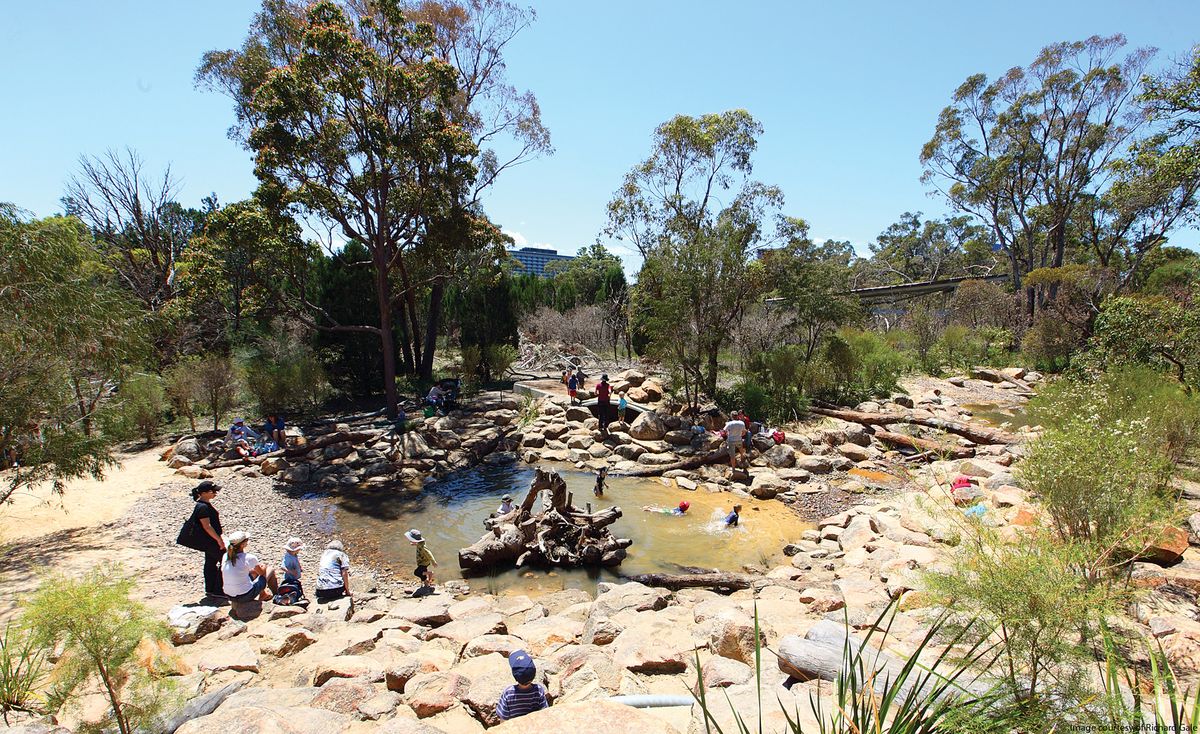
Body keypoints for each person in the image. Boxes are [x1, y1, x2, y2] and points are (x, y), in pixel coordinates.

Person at [182, 481, 225, 601]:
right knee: (225, 561)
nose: (215, 493)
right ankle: (219, 590)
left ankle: (210, 589)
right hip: (211, 541)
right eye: (213, 491)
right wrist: (219, 540)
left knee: (210, 563)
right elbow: (207, 526)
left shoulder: (202, 505)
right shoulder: (203, 507)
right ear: (205, 493)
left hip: (208, 541)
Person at [220, 531, 279, 603]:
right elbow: (261, 573)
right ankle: (277, 594)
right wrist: (264, 567)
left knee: (253, 573)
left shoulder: (226, 556)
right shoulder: (249, 558)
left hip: (229, 596)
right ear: (242, 544)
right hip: (245, 595)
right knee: (270, 569)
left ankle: (263, 594)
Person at [496, 649, 548, 721]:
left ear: (515, 676)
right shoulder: (539, 690)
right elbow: (544, 712)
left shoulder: (508, 693)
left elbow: (503, 718)